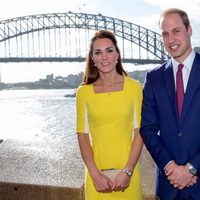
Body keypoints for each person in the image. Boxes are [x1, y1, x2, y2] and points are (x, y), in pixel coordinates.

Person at [140, 8, 200, 200]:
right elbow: (148, 129)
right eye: (165, 34)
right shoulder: (153, 77)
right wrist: (171, 167)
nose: (171, 39)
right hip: (168, 186)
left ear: (189, 30)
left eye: (176, 31)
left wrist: (192, 168)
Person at [76, 29, 143, 200]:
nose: (104, 57)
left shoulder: (134, 88)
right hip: (96, 178)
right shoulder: (83, 92)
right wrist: (95, 175)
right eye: (98, 52)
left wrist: (127, 171)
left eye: (109, 50)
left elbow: (140, 133)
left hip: (128, 175)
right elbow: (82, 136)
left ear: (117, 54)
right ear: (92, 58)